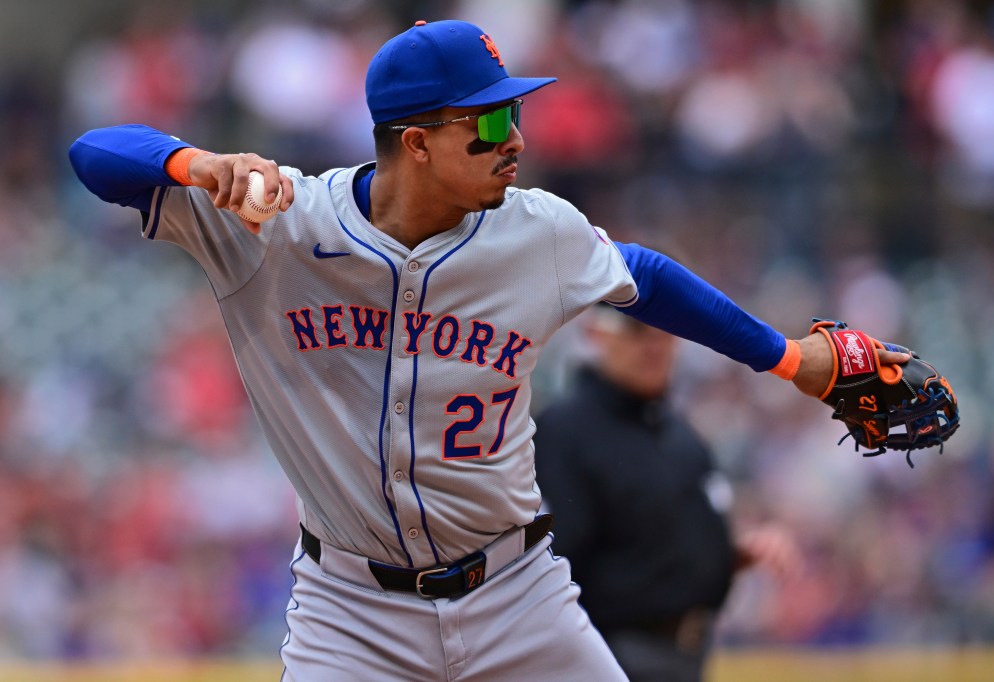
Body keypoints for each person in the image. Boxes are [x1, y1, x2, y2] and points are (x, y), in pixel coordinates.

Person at [67, 18, 910, 681]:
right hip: (349, 612)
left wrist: (788, 359)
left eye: (518, 112)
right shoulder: (277, 225)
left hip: (516, 593)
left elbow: (643, 277)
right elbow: (94, 156)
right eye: (492, 117)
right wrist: (190, 161)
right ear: (416, 140)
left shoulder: (537, 230)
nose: (515, 136)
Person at [534, 304, 803, 682]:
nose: (654, 344)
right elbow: (554, 563)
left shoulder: (680, 435)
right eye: (636, 331)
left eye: (663, 331)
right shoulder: (564, 432)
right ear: (597, 333)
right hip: (608, 659)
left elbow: (652, 549)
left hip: (687, 657)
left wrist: (733, 556)